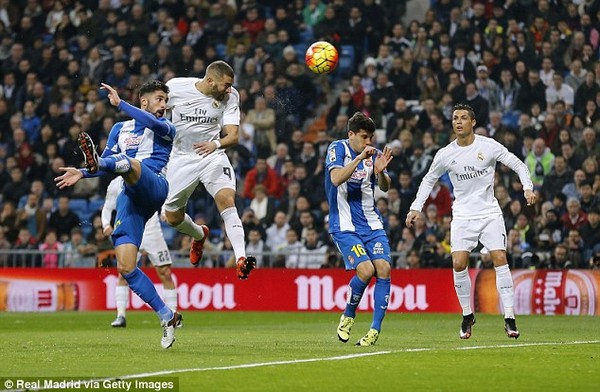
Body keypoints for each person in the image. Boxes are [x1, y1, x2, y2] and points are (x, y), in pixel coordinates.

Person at [54, 80, 182, 349]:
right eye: (159, 99)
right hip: (131, 197)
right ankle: (167, 316)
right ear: (144, 101)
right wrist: (84, 172)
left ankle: (99, 161)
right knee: (125, 266)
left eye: (165, 100)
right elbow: (107, 165)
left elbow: (123, 157)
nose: (164, 105)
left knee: (130, 164)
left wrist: (121, 104)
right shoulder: (119, 129)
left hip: (155, 184)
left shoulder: (168, 127)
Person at [406, 103, 537, 340]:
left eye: (463, 118)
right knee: (458, 264)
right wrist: (416, 207)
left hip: (489, 213)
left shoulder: (487, 146)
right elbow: (428, 180)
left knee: (499, 258)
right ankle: (467, 315)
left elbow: (518, 163)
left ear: (472, 122)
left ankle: (509, 317)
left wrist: (528, 188)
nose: (458, 122)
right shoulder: (445, 153)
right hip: (463, 215)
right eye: (455, 118)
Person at [162, 60, 256, 279]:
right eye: (225, 85)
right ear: (210, 81)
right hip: (182, 158)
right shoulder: (175, 87)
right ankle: (199, 233)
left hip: (212, 155)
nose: (229, 89)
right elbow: (155, 113)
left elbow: (233, 136)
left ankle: (241, 258)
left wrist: (214, 144)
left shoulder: (231, 96)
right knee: (172, 218)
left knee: (227, 199)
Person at [325, 112, 394, 346]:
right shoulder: (337, 149)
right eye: (364, 137)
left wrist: (381, 171)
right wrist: (358, 159)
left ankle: (374, 330)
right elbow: (335, 179)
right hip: (343, 225)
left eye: (371, 138)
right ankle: (348, 315)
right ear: (351, 134)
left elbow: (384, 187)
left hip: (371, 223)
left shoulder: (371, 156)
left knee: (383, 268)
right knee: (365, 271)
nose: (368, 142)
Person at [102, 176, 178, 328]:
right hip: (130, 230)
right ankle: (121, 316)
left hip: (152, 231)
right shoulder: (115, 182)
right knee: (124, 273)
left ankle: (173, 315)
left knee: (165, 272)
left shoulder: (147, 175)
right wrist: (105, 225)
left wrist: (164, 211)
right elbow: (107, 207)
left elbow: (165, 194)